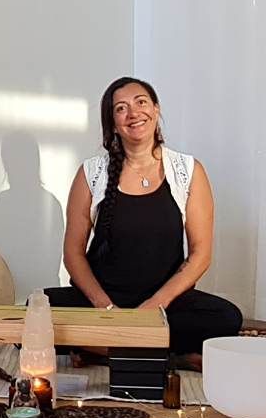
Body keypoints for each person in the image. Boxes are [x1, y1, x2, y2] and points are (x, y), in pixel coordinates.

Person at [45, 76, 242, 362]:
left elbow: (201, 254)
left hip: (166, 305)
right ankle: (166, 355)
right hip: (102, 303)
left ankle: (103, 350)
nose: (133, 113)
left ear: (156, 109)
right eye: (121, 108)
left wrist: (154, 306)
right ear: (113, 124)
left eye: (141, 102)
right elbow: (73, 254)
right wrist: (106, 309)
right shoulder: (91, 173)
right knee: (36, 313)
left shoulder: (188, 170)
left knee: (226, 318)